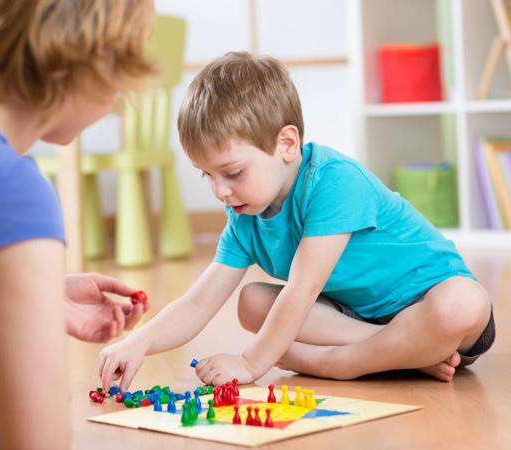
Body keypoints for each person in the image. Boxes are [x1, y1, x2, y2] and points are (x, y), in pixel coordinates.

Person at [98, 51, 495, 393]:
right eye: (208, 176)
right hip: (360, 320)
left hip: (433, 305)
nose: (219, 192)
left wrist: (252, 364)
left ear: (286, 145)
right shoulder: (245, 215)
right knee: (252, 302)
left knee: (462, 302)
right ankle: (403, 353)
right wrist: (139, 342)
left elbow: (302, 290)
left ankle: (343, 364)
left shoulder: (333, 181)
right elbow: (198, 302)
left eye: (232, 173)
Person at [0, 0, 155, 448]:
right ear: (95, 58)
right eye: (122, 73)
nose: (118, 97)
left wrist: (27, 289)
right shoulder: (12, 194)